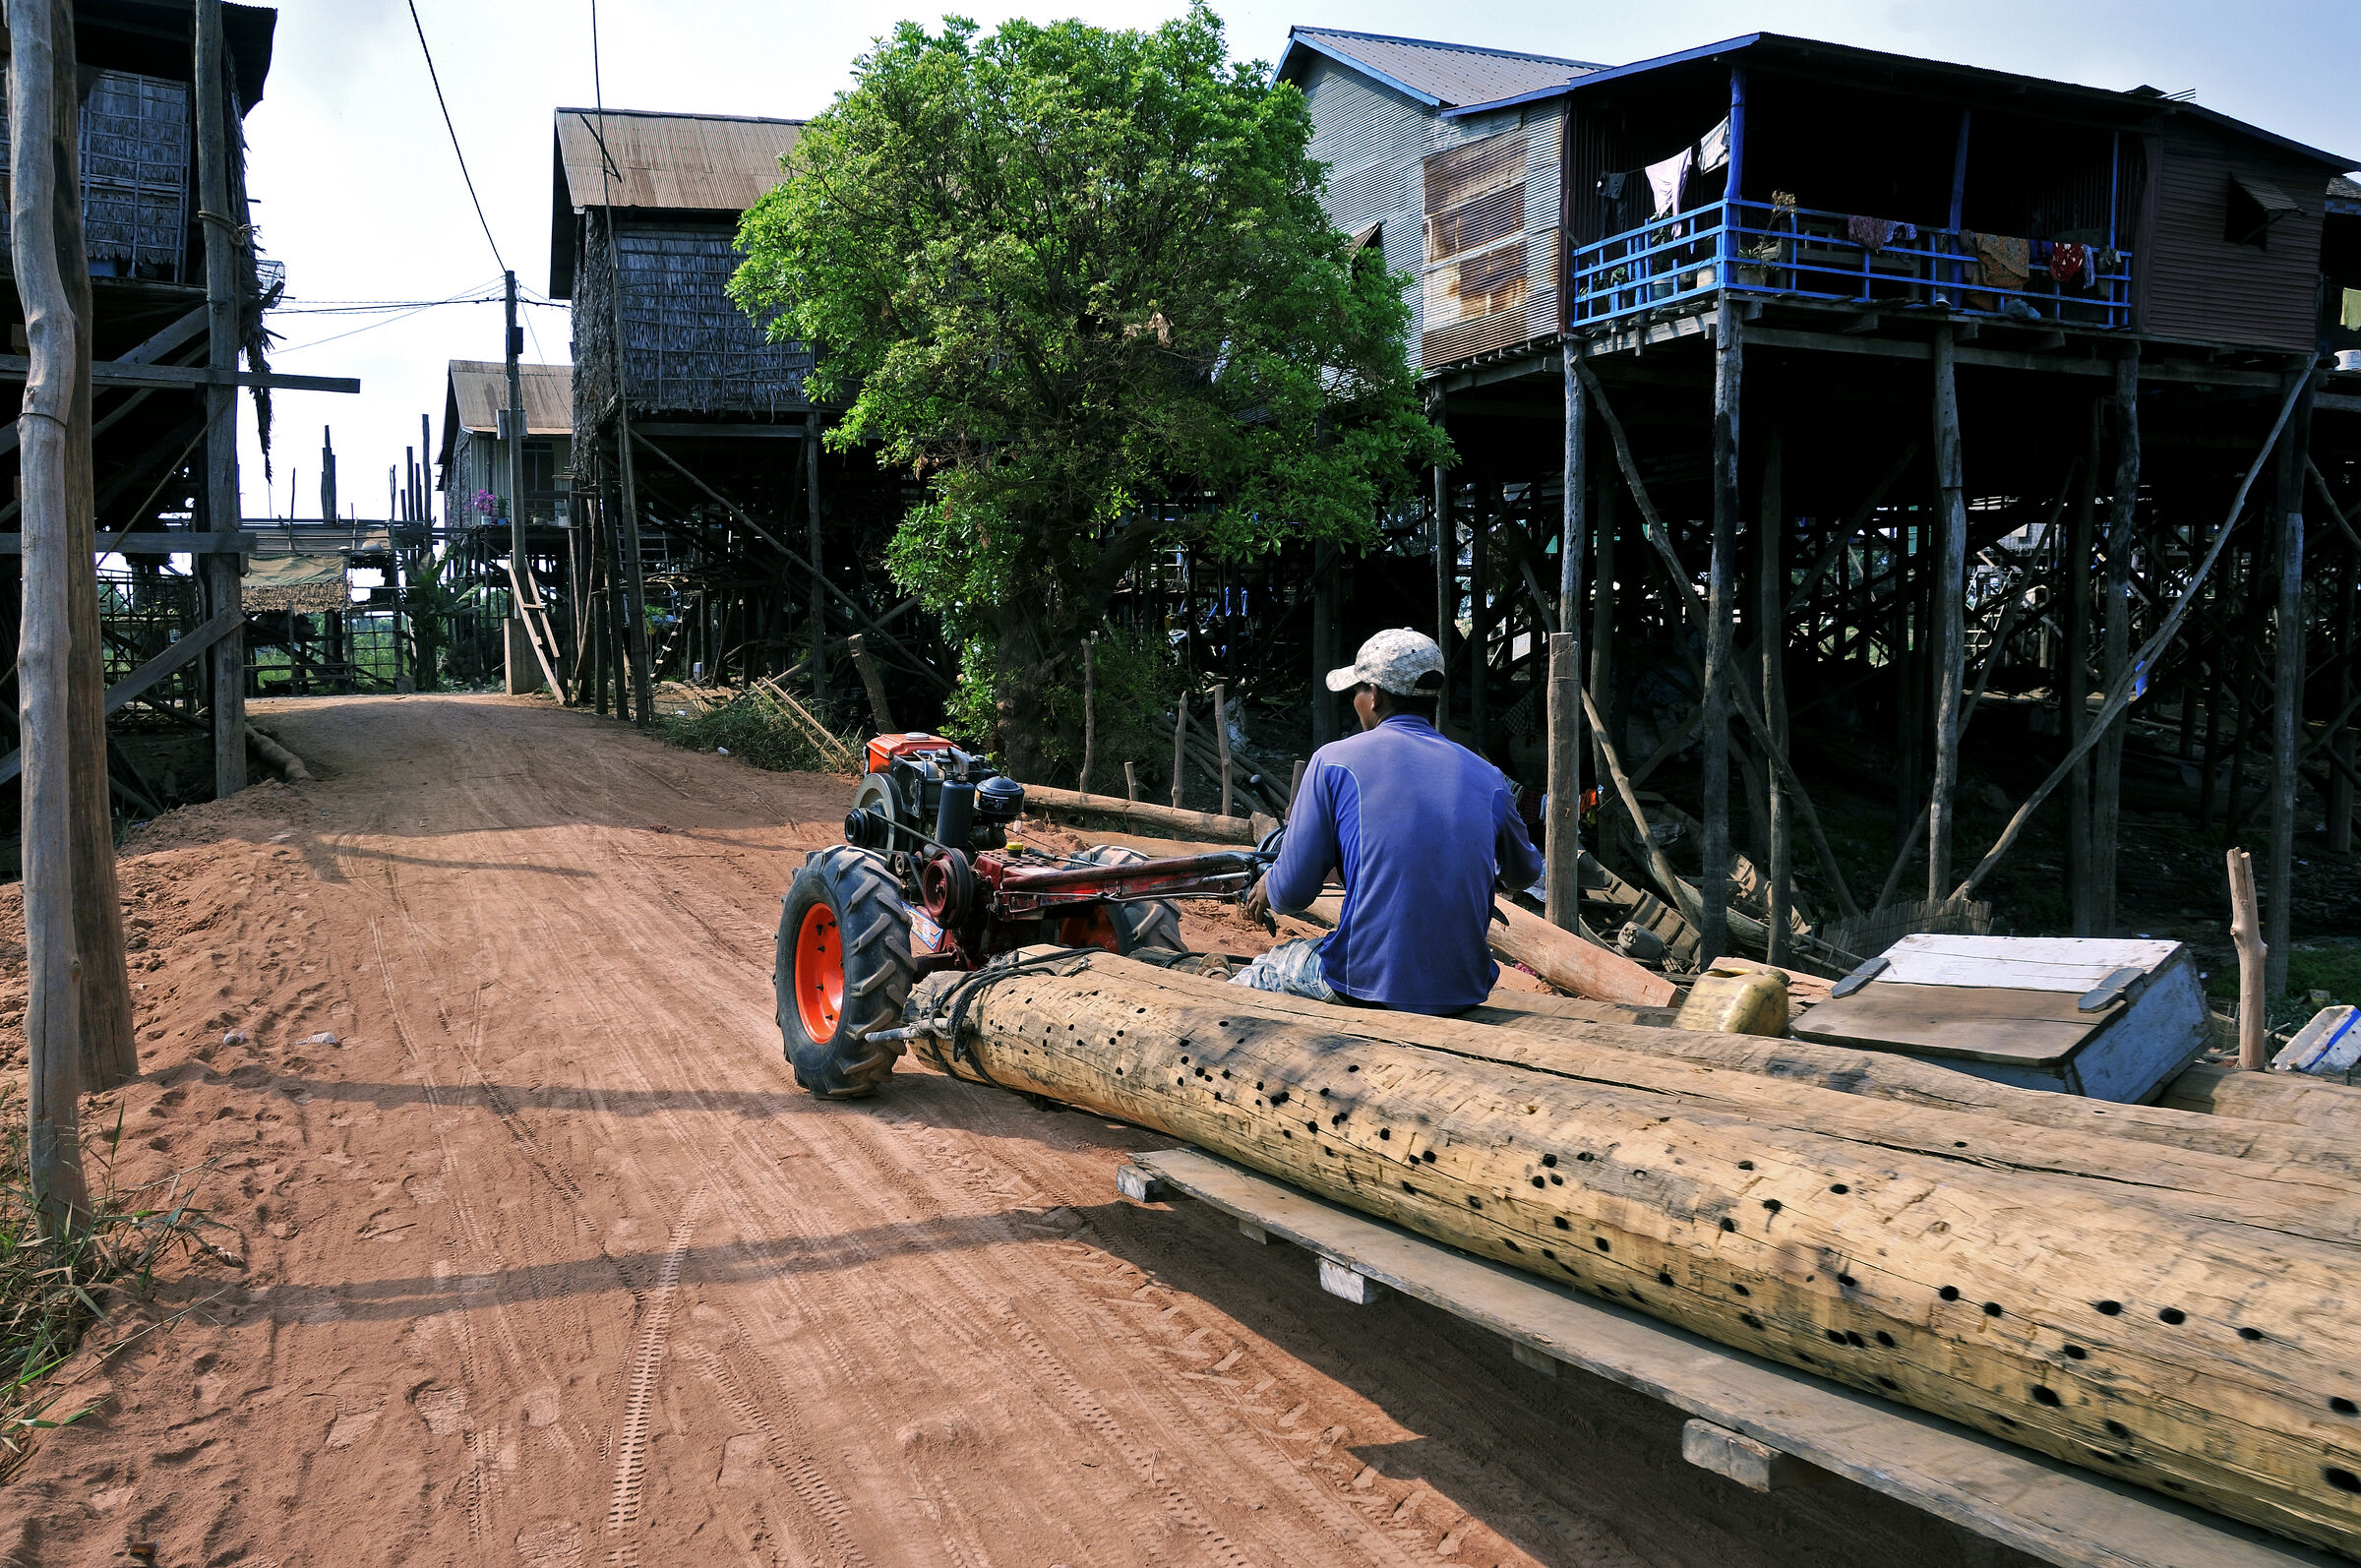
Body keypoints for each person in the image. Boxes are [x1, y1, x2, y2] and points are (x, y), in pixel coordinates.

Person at [1234, 628, 1542, 1015]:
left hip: (1365, 981)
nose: (1356, 702)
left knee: (1261, 972)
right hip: (1463, 987)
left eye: (1357, 691)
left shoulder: (1333, 762)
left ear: (1375, 695)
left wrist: (1269, 886)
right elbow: (1525, 873)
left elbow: (1294, 893)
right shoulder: (1488, 777)